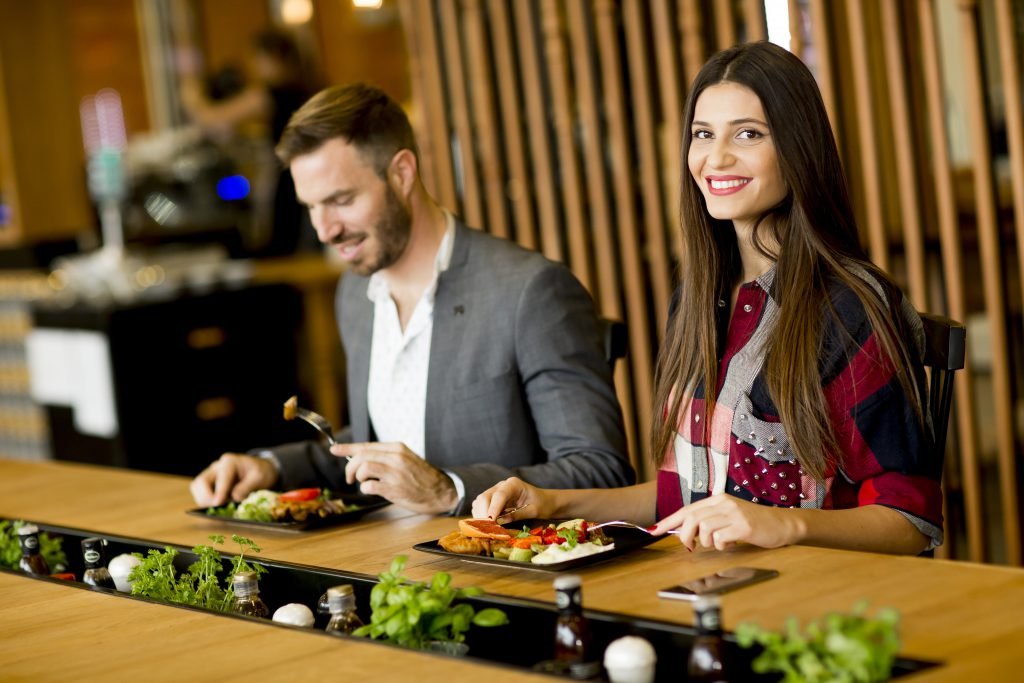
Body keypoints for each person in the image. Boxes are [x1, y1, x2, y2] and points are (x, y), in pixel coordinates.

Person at [473, 41, 943, 555]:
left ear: (797, 147)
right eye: (703, 134)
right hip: (701, 589)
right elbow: (689, 497)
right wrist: (553, 503)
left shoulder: (847, 308)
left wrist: (784, 526)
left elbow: (909, 520)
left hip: (810, 611)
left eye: (748, 134)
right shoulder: (694, 302)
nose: (716, 158)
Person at [190, 83, 633, 515]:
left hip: (501, 578)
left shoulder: (530, 291)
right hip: (385, 568)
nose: (325, 230)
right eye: (311, 206)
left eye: (341, 200)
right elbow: (379, 443)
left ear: (402, 173)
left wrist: (449, 490)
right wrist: (270, 467)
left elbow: (601, 470)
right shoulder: (356, 294)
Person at [178, 29, 316, 255]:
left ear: (270, 58)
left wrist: (191, 94)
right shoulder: (308, 86)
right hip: (307, 173)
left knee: (285, 248)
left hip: (289, 177)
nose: (256, 67)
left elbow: (211, 117)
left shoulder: (273, 93)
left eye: (258, 60)